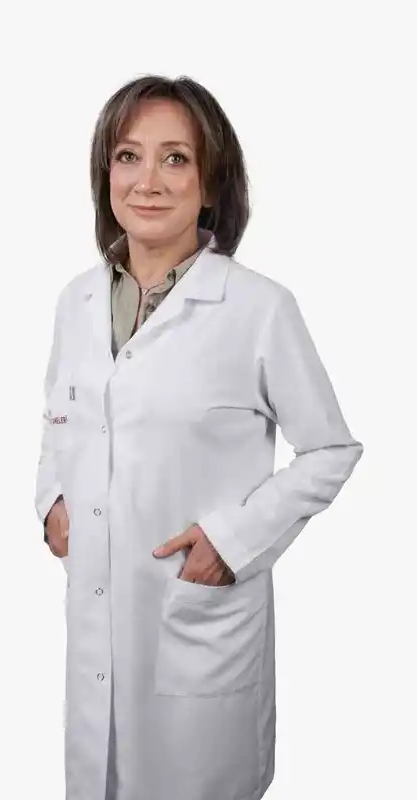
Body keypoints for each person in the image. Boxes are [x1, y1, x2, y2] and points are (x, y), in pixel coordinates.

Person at [34, 73, 364, 800]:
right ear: (105, 175)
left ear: (211, 182)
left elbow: (331, 450)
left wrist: (232, 542)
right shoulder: (76, 301)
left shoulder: (257, 308)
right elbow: (63, 418)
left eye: (175, 158)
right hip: (98, 621)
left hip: (197, 625)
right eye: (128, 156)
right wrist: (52, 496)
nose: (147, 181)